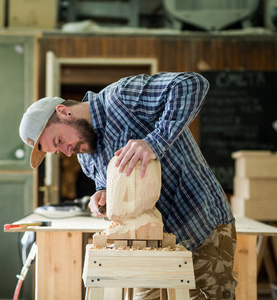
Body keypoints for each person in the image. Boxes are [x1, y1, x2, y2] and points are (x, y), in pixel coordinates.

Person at [19, 72, 236, 300]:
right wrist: (102, 194)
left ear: (64, 112)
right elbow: (106, 182)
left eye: (59, 141)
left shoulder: (122, 97)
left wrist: (154, 142)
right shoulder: (85, 154)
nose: (67, 152)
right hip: (149, 245)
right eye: (58, 151)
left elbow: (192, 84)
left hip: (199, 227)